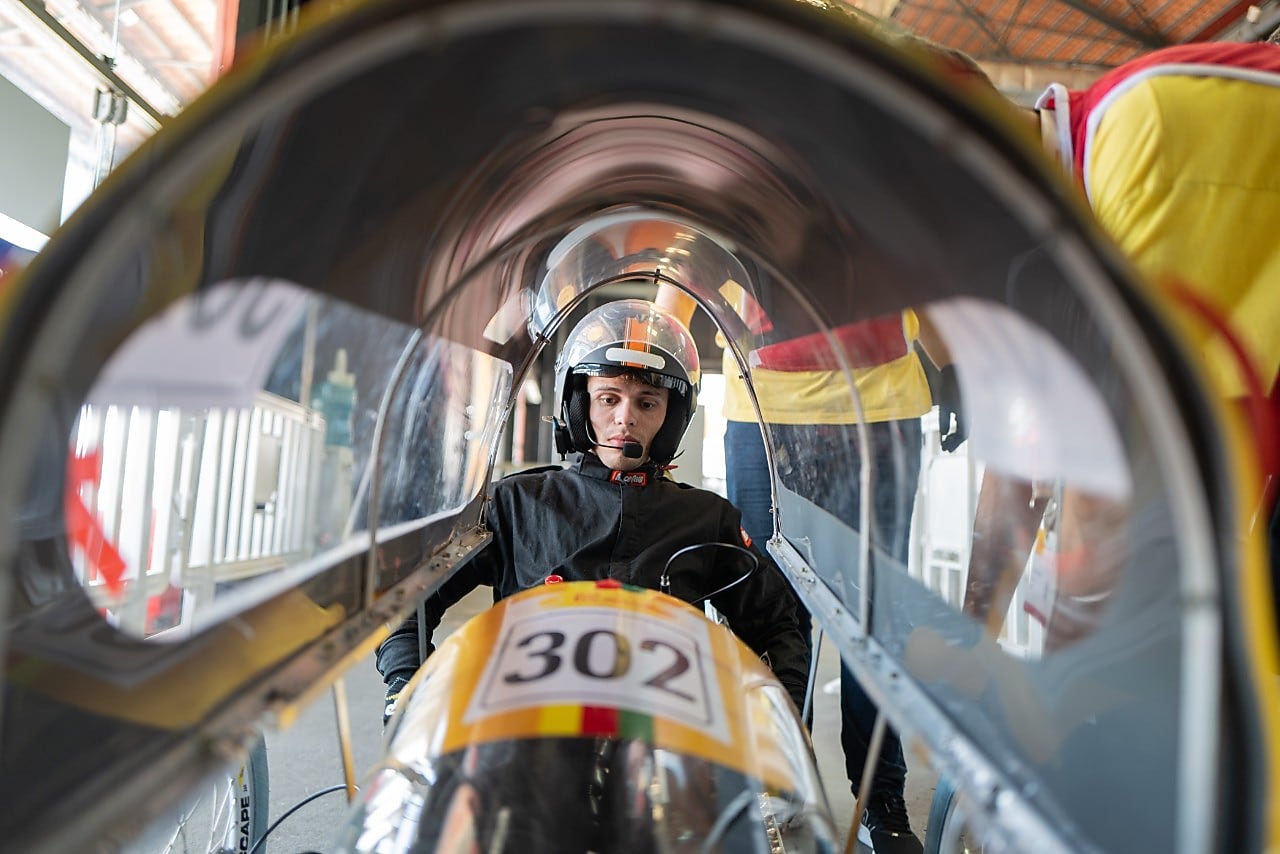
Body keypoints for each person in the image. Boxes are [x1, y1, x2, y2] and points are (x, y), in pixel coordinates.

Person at [959, 40, 1280, 645]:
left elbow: (1108, 487)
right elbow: (1015, 468)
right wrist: (970, 641)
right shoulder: (1055, 224)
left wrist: (1060, 699)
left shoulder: (1145, 143)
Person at [377, 299, 811, 725]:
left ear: (671, 418)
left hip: (664, 743)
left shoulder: (707, 518)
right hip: (526, 735)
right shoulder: (516, 504)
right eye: (608, 399)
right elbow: (409, 598)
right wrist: (407, 687)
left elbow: (777, 624)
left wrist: (779, 719)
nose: (626, 419)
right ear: (578, 406)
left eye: (646, 403)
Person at [660, 284, 958, 854]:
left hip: (881, 407)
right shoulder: (745, 190)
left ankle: (882, 801)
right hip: (765, 412)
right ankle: (773, 783)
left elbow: (916, 263)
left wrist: (956, 367)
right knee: (767, 613)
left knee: (873, 618)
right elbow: (684, 256)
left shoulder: (889, 189)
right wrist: (648, 364)